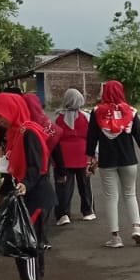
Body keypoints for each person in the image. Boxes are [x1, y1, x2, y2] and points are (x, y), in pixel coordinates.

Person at [0, 93, 56, 280]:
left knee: (27, 243)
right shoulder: (15, 133)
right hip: (24, 194)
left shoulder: (29, 132)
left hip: (36, 196)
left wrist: (26, 184)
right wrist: (3, 192)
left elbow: (37, 165)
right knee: (21, 241)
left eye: (1, 115)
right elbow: (10, 168)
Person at [86, 80, 140, 248]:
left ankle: (115, 238)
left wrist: (90, 160)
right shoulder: (131, 112)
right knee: (130, 194)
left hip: (107, 161)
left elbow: (91, 138)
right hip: (129, 160)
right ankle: (137, 228)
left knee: (111, 198)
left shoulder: (96, 112)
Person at [51, 88, 94, 226]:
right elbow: (92, 137)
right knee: (85, 185)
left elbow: (54, 138)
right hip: (82, 155)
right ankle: (87, 211)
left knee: (63, 186)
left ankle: (63, 214)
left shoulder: (59, 117)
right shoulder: (85, 117)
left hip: (63, 156)